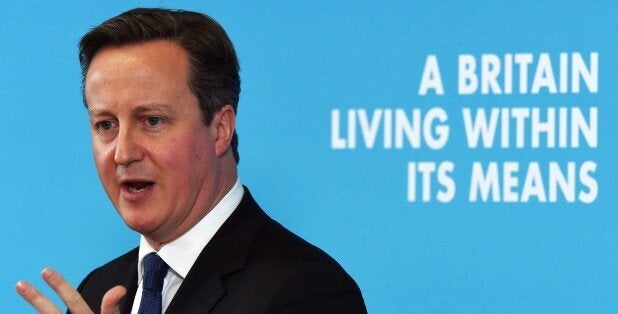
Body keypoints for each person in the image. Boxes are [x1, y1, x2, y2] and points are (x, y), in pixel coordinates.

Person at [15, 8, 366, 313]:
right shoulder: (98, 290)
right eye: (106, 125)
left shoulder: (307, 290)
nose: (123, 153)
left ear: (220, 129)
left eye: (152, 120)